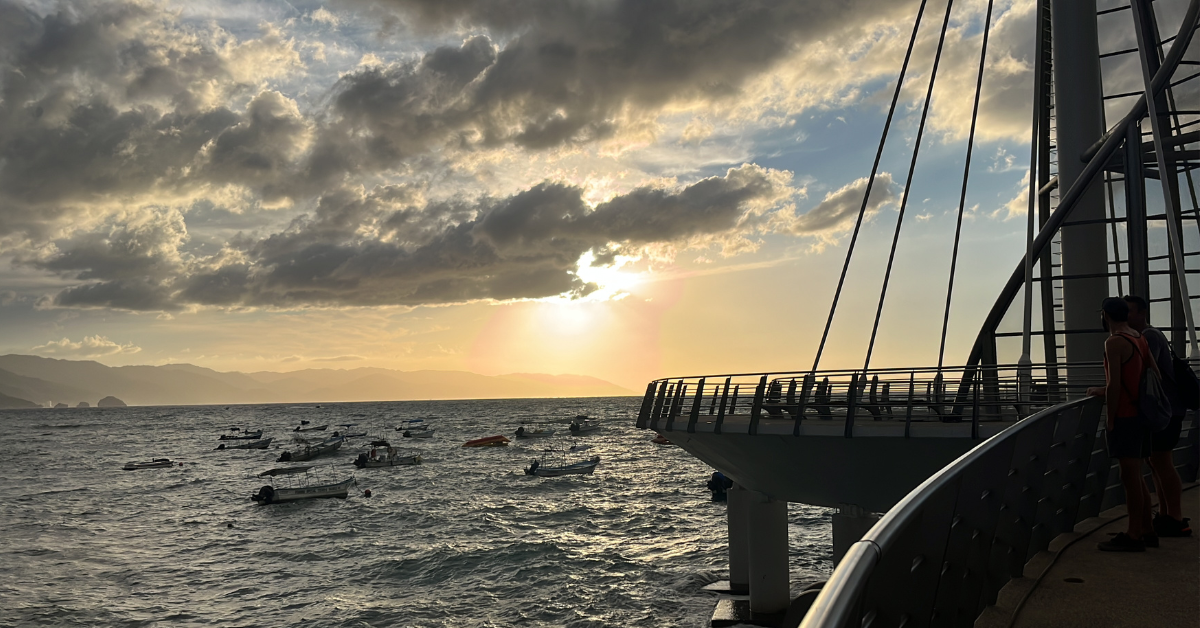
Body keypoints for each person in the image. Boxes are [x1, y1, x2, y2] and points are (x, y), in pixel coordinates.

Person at [1086, 297, 1162, 551]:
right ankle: (1147, 530)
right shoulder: (1139, 338)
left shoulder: (1114, 342)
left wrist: (1110, 418)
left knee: (1129, 477)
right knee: (1137, 475)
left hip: (1126, 416)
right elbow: (1155, 372)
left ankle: (1133, 535)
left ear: (1105, 315)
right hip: (1141, 415)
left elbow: (1115, 383)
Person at [1124, 295, 1192, 537]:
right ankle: (1166, 514)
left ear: (1142, 313)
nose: (1126, 316)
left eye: (1130, 311)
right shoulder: (1151, 335)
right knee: (1157, 462)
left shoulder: (1149, 337)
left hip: (1165, 411)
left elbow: (1141, 370)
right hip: (1167, 410)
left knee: (1161, 462)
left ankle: (1174, 516)